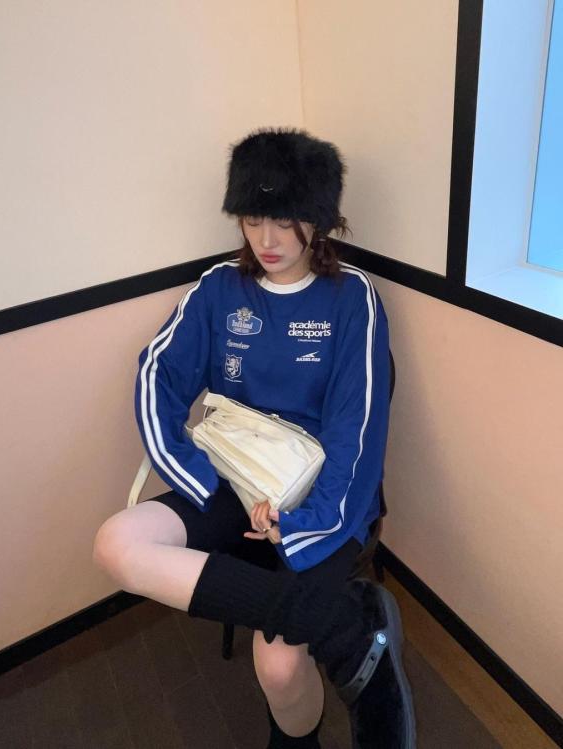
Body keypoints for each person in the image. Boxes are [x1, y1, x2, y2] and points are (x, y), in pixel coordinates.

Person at [93, 127, 416, 748]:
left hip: (321, 495)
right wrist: (193, 475)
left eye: (286, 221)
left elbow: (357, 433)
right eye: (252, 219)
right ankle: (345, 627)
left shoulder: (352, 299)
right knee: (117, 543)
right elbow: (157, 373)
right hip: (230, 476)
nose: (267, 240)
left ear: (318, 220)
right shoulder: (220, 288)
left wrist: (302, 524)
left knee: (278, 666)